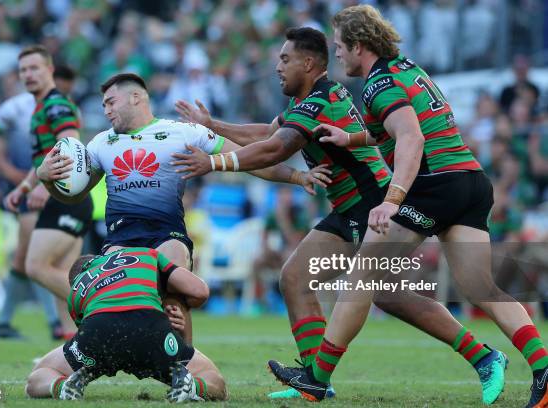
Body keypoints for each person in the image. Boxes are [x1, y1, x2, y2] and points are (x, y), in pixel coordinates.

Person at [173, 26, 507, 404]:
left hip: (371, 205)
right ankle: (318, 379)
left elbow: (275, 149)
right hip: (349, 207)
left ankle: (482, 356)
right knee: (308, 280)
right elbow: (266, 135)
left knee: (374, 292)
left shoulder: (323, 99)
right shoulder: (308, 103)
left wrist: (215, 161)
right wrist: (214, 125)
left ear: (309, 62)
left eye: (285, 59)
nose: (277, 67)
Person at [260, 7, 547, 406]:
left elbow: (411, 138)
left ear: (359, 46)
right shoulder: (406, 68)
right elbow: (401, 130)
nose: (338, 55)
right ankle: (543, 369)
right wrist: (352, 139)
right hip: (471, 181)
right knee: (481, 287)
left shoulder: (379, 84)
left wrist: (392, 200)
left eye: (341, 47)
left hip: (435, 185)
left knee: (363, 274)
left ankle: (316, 376)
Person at [35, 72, 330, 344]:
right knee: (114, 304)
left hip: (167, 234)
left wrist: (296, 175)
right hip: (120, 241)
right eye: (103, 105)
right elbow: (75, 196)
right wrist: (47, 180)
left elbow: (247, 159)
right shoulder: (100, 143)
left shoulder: (182, 133)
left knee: (174, 291)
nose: (106, 110)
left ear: (136, 98)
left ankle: (185, 369)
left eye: (111, 102)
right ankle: (101, 359)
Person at [25, 248, 227, 402]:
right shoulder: (146, 254)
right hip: (150, 328)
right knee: (214, 381)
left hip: (99, 334)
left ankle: (64, 387)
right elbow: (199, 292)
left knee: (38, 377)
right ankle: (191, 387)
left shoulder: (77, 289)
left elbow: (89, 328)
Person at [0, 65, 78, 339]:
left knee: (31, 257)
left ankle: (8, 322)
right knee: (34, 257)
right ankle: (56, 322)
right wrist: (9, 172)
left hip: (48, 188)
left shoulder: (65, 107)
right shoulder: (21, 106)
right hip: (35, 190)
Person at [4, 45, 93, 336]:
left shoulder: (57, 105)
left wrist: (46, 184)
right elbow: (46, 153)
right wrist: (27, 185)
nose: (27, 75)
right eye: (23, 70)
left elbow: (69, 145)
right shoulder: (42, 107)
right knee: (61, 280)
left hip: (63, 199)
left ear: (50, 70)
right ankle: (77, 347)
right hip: (64, 197)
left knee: (36, 267)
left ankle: (105, 308)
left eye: (34, 68)